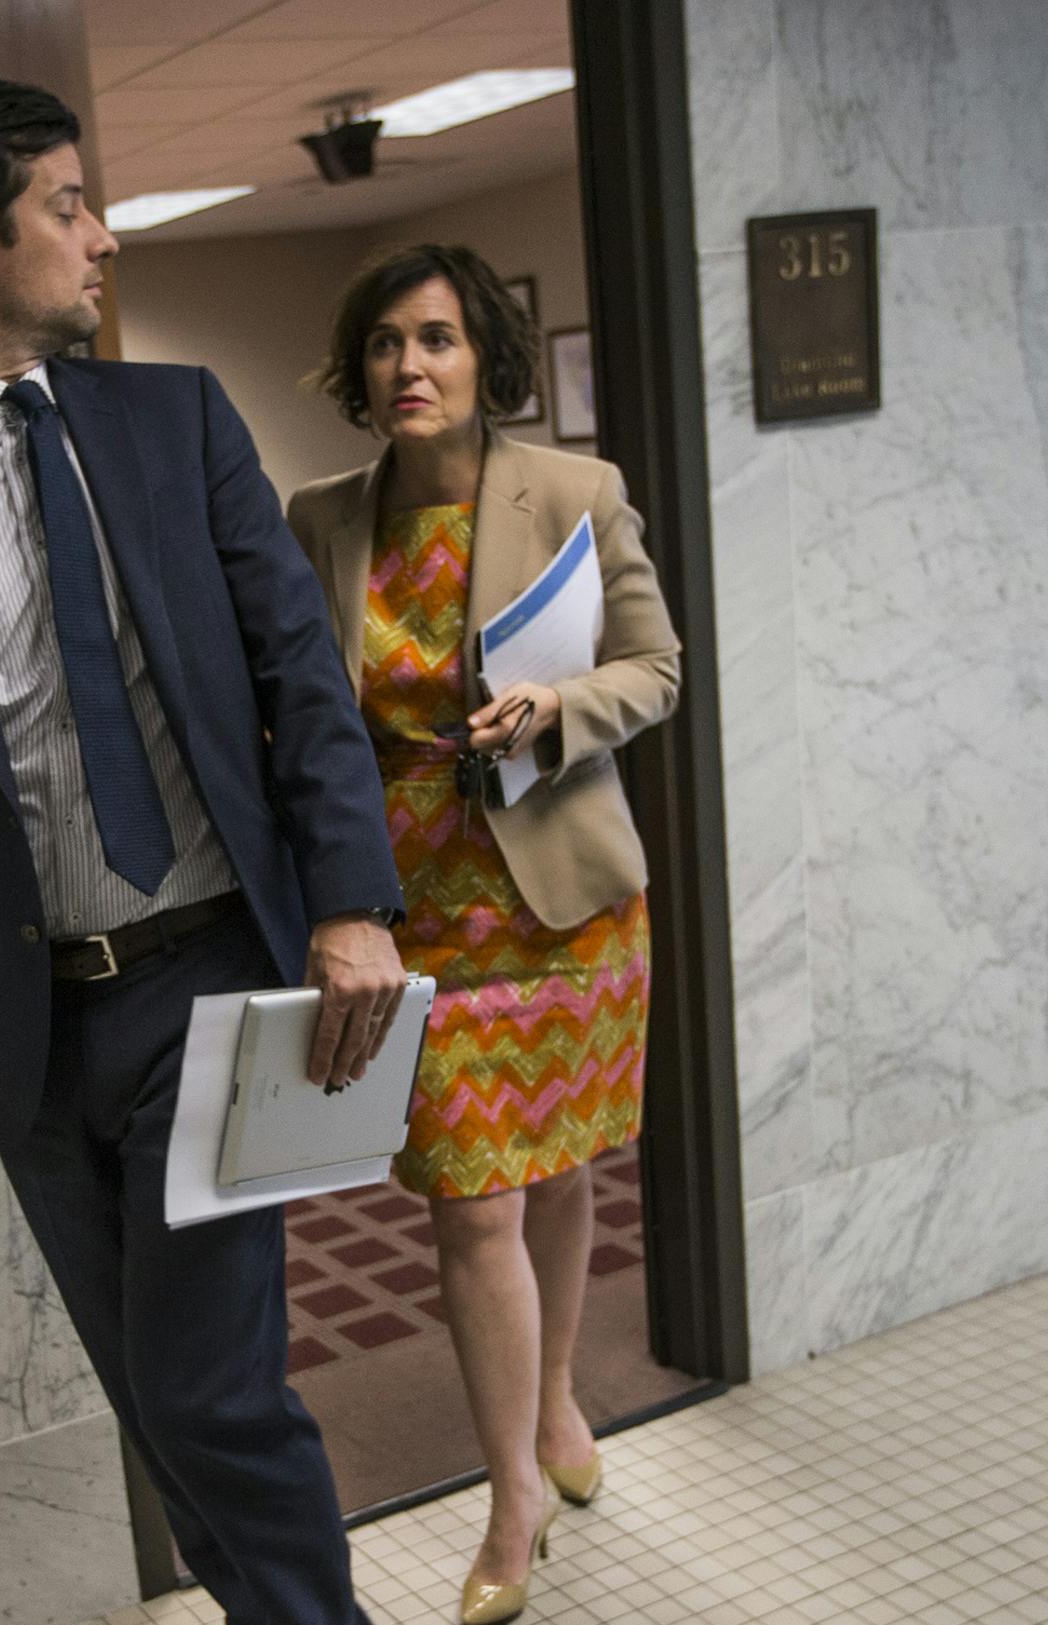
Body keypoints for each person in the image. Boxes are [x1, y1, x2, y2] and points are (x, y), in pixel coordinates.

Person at [0, 78, 411, 1625]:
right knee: (162, 1400)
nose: (103, 235)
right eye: (69, 204)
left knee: (211, 1393)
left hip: (210, 987)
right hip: (23, 1033)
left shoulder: (175, 421)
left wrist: (351, 902)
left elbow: (299, 679)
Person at [287, 243, 681, 1625]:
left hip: (561, 901)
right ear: (361, 368)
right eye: (387, 342)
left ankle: (555, 1400)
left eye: (438, 339)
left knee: (556, 1164)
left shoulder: (574, 492)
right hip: (412, 915)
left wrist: (559, 710)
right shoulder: (321, 516)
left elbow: (656, 663)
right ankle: (513, 1484)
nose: (411, 366)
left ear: (484, 359)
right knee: (475, 1194)